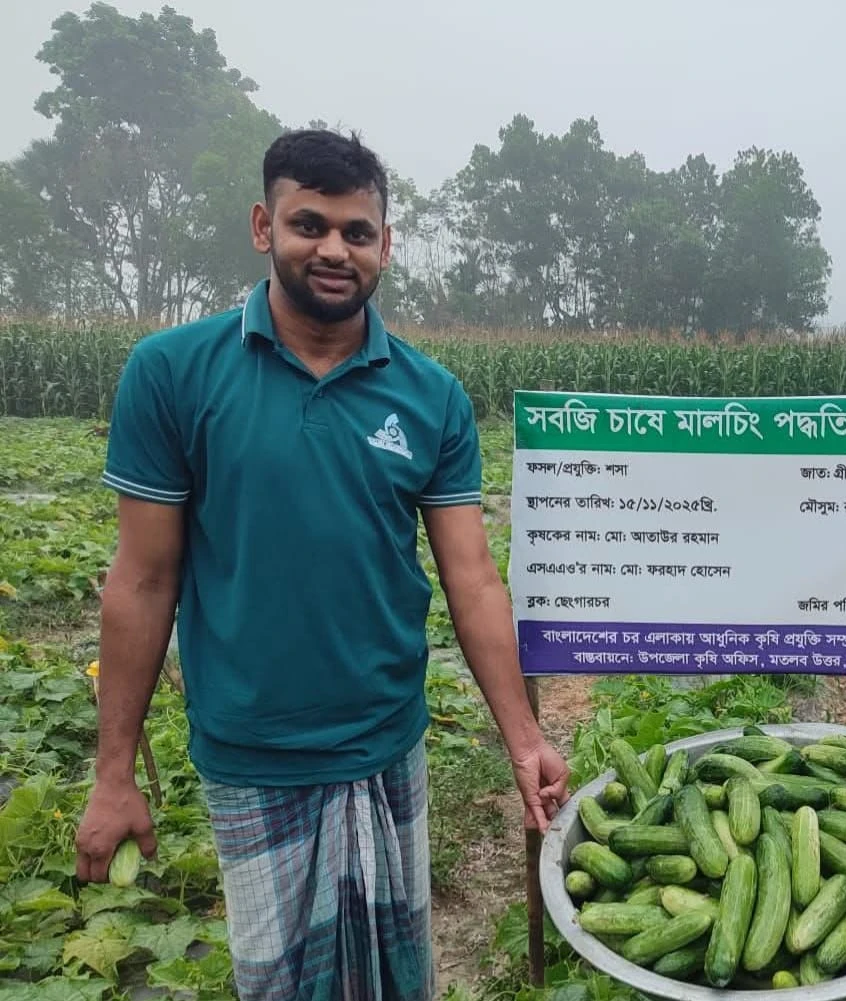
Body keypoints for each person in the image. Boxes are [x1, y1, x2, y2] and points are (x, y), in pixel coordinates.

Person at [74, 128, 569, 1000]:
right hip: (254, 751)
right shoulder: (173, 373)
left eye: (357, 232)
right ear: (264, 226)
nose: (335, 249)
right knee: (282, 981)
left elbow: (472, 579)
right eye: (311, 225)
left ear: (386, 246)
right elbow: (142, 582)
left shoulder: (430, 395)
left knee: (397, 975)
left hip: (387, 740)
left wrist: (524, 738)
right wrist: (113, 774)